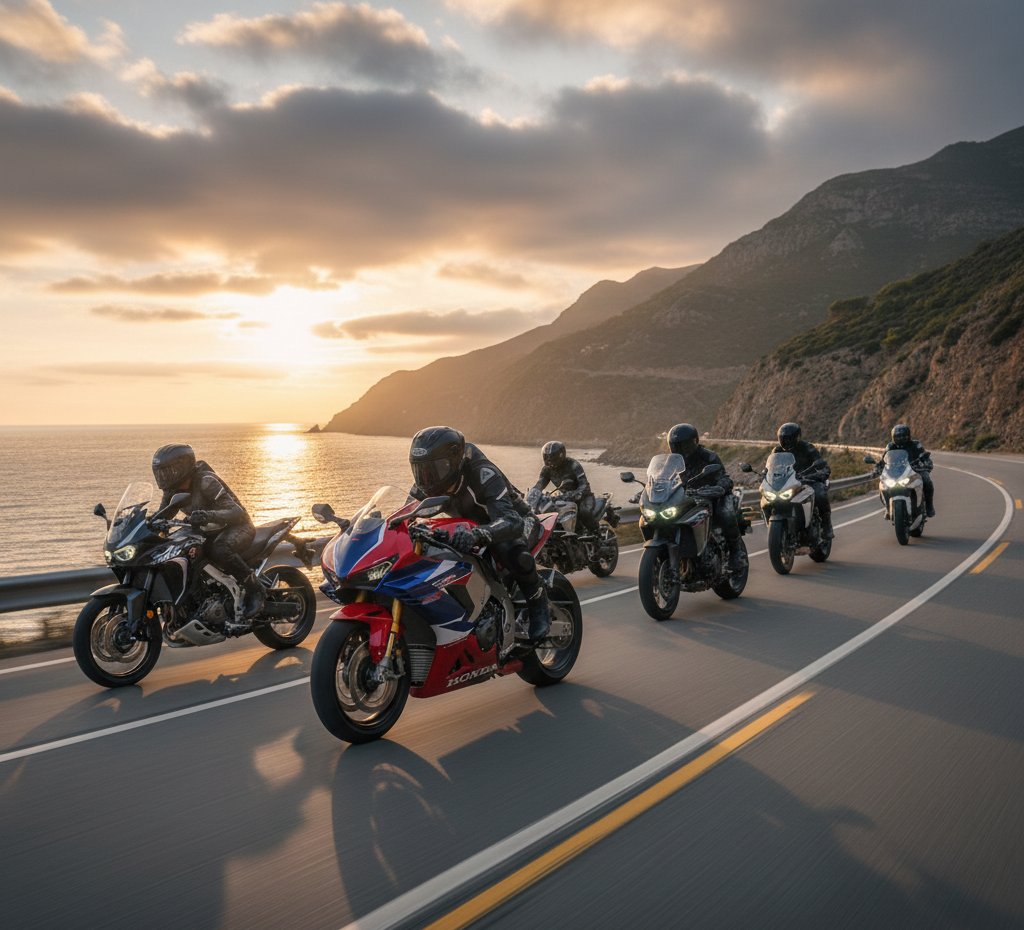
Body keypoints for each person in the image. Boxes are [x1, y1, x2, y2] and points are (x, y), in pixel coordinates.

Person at [407, 426, 550, 642]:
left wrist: (477, 534)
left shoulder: (482, 473)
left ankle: (538, 599)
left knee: (510, 551)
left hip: (516, 520)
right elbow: (405, 514)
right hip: (473, 528)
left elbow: (512, 522)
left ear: (452, 461)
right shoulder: (428, 483)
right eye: (421, 470)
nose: (427, 477)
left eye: (434, 468)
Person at [151, 443, 265, 620]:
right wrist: (143, 522)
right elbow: (163, 515)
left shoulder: (206, 481)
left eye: (168, 471)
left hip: (238, 526)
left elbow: (237, 512)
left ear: (182, 467)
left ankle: (256, 589)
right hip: (208, 531)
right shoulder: (172, 490)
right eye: (161, 472)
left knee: (219, 550)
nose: (165, 476)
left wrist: (207, 515)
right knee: (180, 553)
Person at [668, 423, 745, 571]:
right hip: (688, 497)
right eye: (677, 445)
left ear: (694, 442)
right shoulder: (672, 462)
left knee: (725, 513)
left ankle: (737, 553)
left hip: (712, 496)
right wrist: (649, 489)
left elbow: (723, 477)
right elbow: (663, 478)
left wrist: (719, 487)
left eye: (684, 445)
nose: (681, 449)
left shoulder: (708, 456)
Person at [772, 423, 834, 539]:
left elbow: (824, 467)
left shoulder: (807, 448)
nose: (787, 442)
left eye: (790, 439)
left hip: (808, 481)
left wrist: (816, 475)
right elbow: (770, 468)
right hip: (787, 482)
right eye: (784, 439)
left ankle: (827, 526)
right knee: (771, 497)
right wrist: (765, 473)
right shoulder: (777, 451)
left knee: (820, 494)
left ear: (797, 437)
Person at [532, 441, 600, 534]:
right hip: (565, 498)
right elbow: (540, 484)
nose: (550, 460)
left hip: (583, 497)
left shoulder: (573, 465)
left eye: (552, 457)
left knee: (583, 512)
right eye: (547, 457)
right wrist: (532, 494)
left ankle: (597, 534)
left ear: (561, 455)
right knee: (544, 513)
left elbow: (584, 484)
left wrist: (574, 493)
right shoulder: (546, 469)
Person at [884, 424, 935, 517]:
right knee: (883, 485)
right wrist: (878, 467)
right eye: (898, 437)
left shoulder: (915, 444)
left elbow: (923, 455)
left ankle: (929, 507)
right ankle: (887, 508)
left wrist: (927, 463)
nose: (900, 439)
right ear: (893, 437)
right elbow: (884, 460)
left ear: (908, 436)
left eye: (903, 437)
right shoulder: (890, 447)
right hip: (896, 472)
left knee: (927, 480)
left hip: (914, 470)